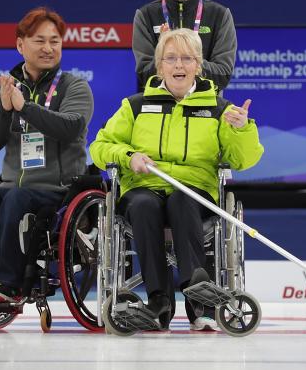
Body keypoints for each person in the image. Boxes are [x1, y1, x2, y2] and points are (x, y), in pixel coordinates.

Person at [90, 28, 263, 331]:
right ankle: (159, 301)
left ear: (199, 65)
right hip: (144, 186)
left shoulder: (219, 109)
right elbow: (99, 146)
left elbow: (243, 160)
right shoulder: (135, 106)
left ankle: (199, 297)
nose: (179, 65)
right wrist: (129, 156)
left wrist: (242, 130)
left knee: (182, 200)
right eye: (171, 58)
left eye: (187, 58)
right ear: (160, 66)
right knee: (144, 205)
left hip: (194, 191)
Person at [0, 7, 94, 303]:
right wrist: (6, 109)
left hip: (57, 192)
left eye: (55, 41)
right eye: (39, 41)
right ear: (20, 45)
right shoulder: (5, 88)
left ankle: (9, 284)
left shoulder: (74, 86)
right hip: (12, 188)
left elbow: (71, 127)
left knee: (18, 197)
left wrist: (26, 107)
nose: (48, 48)